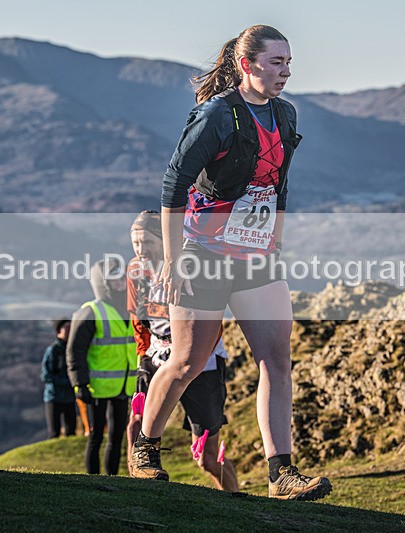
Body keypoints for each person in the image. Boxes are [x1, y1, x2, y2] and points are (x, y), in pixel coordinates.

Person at [129, 25, 331, 501]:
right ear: (246, 64)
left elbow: (278, 183)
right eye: (276, 62)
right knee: (187, 361)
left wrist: (275, 239)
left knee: (276, 360)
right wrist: (174, 262)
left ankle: (281, 473)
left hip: (256, 255)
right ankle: (146, 448)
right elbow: (173, 187)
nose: (286, 72)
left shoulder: (285, 114)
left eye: (288, 62)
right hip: (203, 253)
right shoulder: (216, 115)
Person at [126, 210, 239, 491]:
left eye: (147, 242)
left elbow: (212, 320)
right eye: (136, 243)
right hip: (155, 355)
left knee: (206, 458)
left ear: (164, 240)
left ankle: (236, 500)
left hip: (200, 362)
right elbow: (136, 317)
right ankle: (138, 484)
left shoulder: (190, 265)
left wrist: (190, 356)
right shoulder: (135, 270)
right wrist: (143, 354)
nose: (140, 249)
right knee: (136, 424)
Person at [67, 260, 137, 475]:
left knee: (117, 437)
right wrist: (80, 384)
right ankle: (92, 481)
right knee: (95, 436)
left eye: (122, 278)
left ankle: (112, 479)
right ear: (103, 283)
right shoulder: (91, 311)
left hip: (124, 386)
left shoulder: (132, 309)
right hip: (96, 388)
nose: (120, 283)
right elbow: (75, 351)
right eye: (114, 280)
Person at [41, 317, 77, 439]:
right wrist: (67, 382)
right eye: (66, 328)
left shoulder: (73, 349)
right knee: (54, 433)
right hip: (54, 397)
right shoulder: (53, 350)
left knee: (71, 431)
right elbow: (46, 375)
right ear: (58, 331)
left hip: (69, 397)